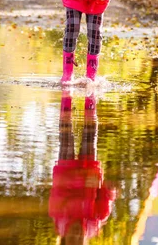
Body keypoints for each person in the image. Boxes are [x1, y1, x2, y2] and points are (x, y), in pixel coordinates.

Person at [49, 92, 116, 244]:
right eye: (79, 240)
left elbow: (58, 189)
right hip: (89, 172)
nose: (77, 234)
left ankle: (66, 98)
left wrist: (81, 179)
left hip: (66, 170)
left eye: (72, 238)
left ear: (64, 238)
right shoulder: (92, 225)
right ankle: (90, 98)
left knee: (66, 136)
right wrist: (109, 190)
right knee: (90, 135)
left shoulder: (59, 218)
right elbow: (104, 207)